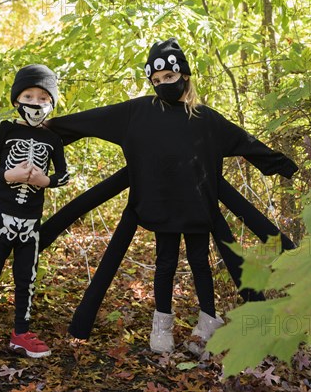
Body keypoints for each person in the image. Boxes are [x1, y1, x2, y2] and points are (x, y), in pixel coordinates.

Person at [49, 38, 297, 355]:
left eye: (168, 77)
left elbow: (246, 143)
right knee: (164, 263)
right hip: (161, 204)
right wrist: (49, 129)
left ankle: (209, 320)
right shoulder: (138, 113)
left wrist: (283, 166)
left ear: (184, 76)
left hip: (197, 206)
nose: (162, 84)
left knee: (199, 263)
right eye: (156, 81)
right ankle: (161, 324)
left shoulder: (208, 120)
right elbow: (92, 119)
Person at [0, 64, 69, 363]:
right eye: (28, 95)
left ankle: (21, 334)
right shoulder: (5, 129)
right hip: (2, 215)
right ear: (16, 100)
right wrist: (9, 175)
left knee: (28, 277)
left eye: (43, 98)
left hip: (31, 219)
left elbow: (64, 175)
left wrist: (44, 181)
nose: (35, 103)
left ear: (51, 103)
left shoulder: (53, 140)